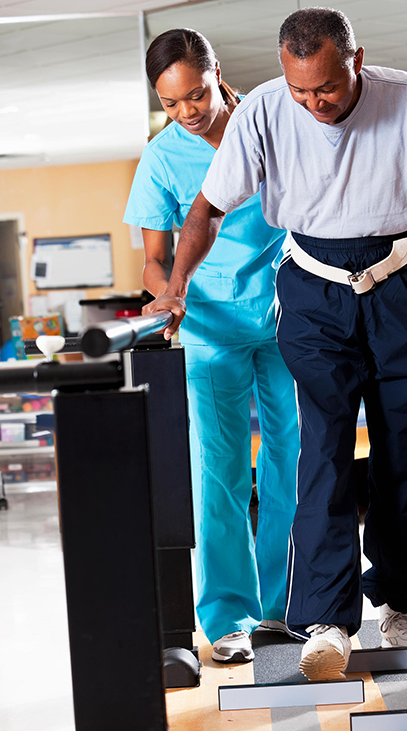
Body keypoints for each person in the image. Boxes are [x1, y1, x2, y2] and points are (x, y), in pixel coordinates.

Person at [145, 8, 407, 681]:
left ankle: (400, 599)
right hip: (312, 293)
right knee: (324, 452)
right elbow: (208, 209)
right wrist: (177, 284)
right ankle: (327, 618)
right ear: (283, 73)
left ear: (356, 60)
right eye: (301, 90)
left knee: (405, 446)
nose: (315, 104)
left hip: (401, 285)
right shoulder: (265, 112)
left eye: (328, 88)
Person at [123, 28, 299, 664]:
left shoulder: (271, 122)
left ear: (215, 71)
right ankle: (228, 617)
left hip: (288, 316)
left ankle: (289, 609)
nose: (188, 112)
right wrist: (167, 296)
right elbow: (154, 260)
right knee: (220, 471)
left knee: (295, 460)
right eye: (171, 104)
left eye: (195, 94)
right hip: (209, 325)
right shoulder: (161, 158)